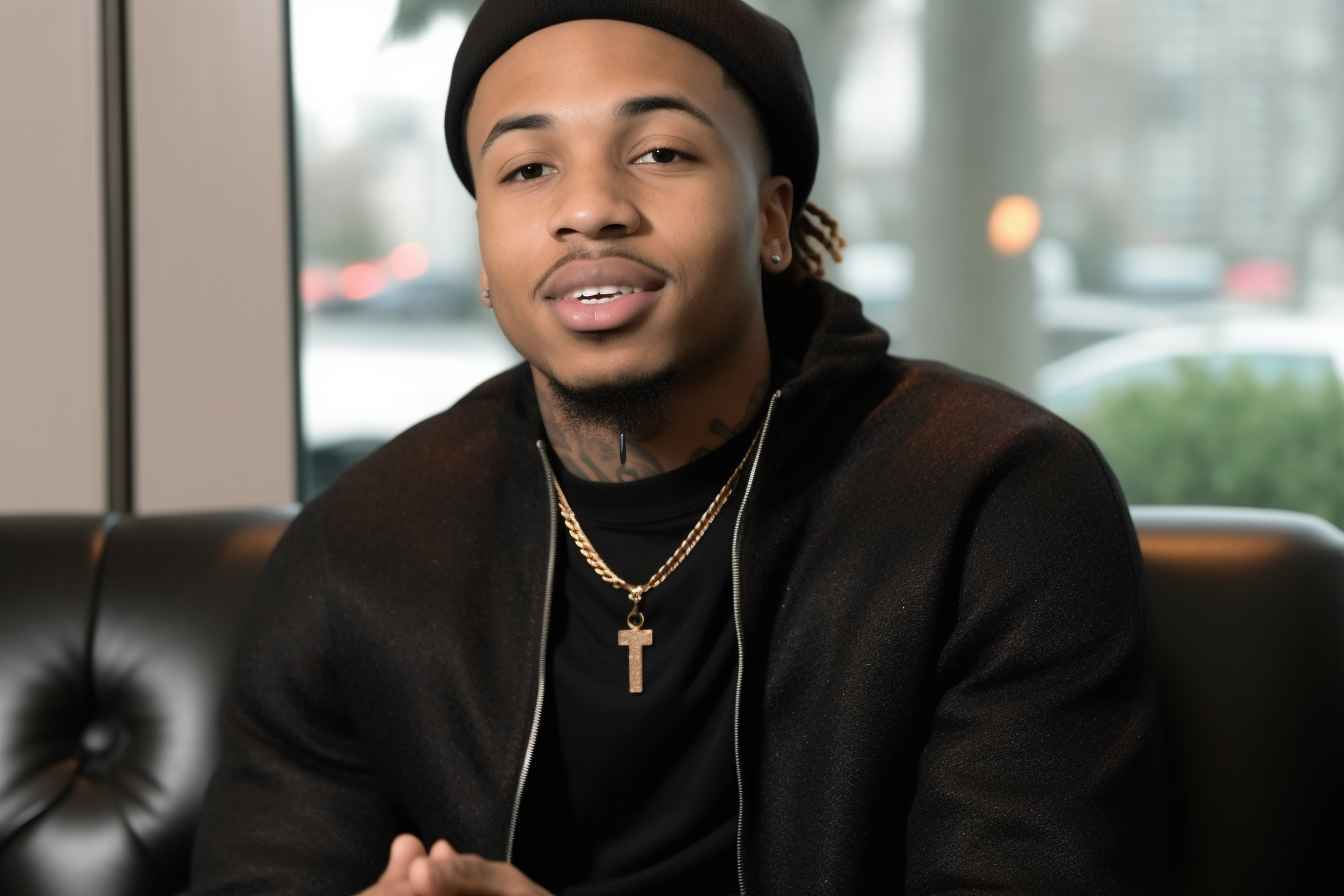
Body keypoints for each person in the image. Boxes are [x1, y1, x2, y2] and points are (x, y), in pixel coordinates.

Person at [190, 2, 1167, 894]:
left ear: (773, 220)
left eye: (660, 152)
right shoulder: (358, 550)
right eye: (528, 169)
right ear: (484, 247)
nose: (590, 209)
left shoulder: (993, 502)